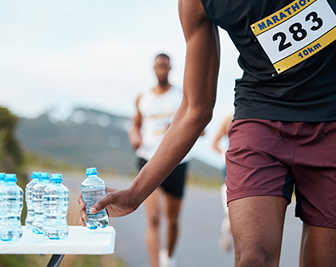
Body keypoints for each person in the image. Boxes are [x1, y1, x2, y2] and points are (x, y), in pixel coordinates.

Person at [79, 0, 336, 266]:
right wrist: (134, 194)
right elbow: (195, 109)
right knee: (252, 259)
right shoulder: (196, 3)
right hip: (260, 121)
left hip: (331, 122)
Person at [128, 53, 193, 267]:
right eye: (158, 66)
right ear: (153, 68)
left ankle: (170, 258)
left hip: (177, 160)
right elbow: (135, 124)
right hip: (148, 158)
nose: (161, 70)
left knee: (172, 221)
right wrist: (135, 136)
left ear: (170, 68)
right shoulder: (143, 97)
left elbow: (197, 125)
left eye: (165, 66)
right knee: (154, 218)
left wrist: (178, 129)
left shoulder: (182, 96)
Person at [211, 114, 233, 253]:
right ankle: (227, 231)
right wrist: (225, 156)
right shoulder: (228, 118)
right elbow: (214, 143)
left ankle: (229, 230)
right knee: (232, 210)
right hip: (230, 169)